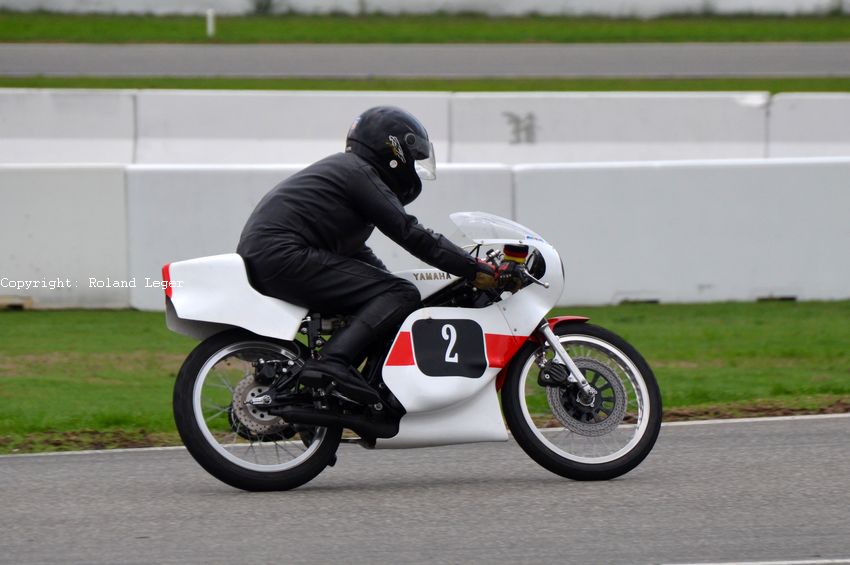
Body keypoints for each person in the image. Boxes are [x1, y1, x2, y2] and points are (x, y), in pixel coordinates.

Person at [237, 106, 497, 405]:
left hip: (273, 255)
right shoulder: (359, 173)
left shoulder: (347, 172)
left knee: (394, 295)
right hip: (283, 255)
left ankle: (322, 397)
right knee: (400, 293)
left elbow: (359, 256)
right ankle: (333, 364)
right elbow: (409, 232)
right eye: (414, 158)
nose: (414, 166)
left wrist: (397, 297)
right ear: (394, 149)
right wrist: (474, 268)